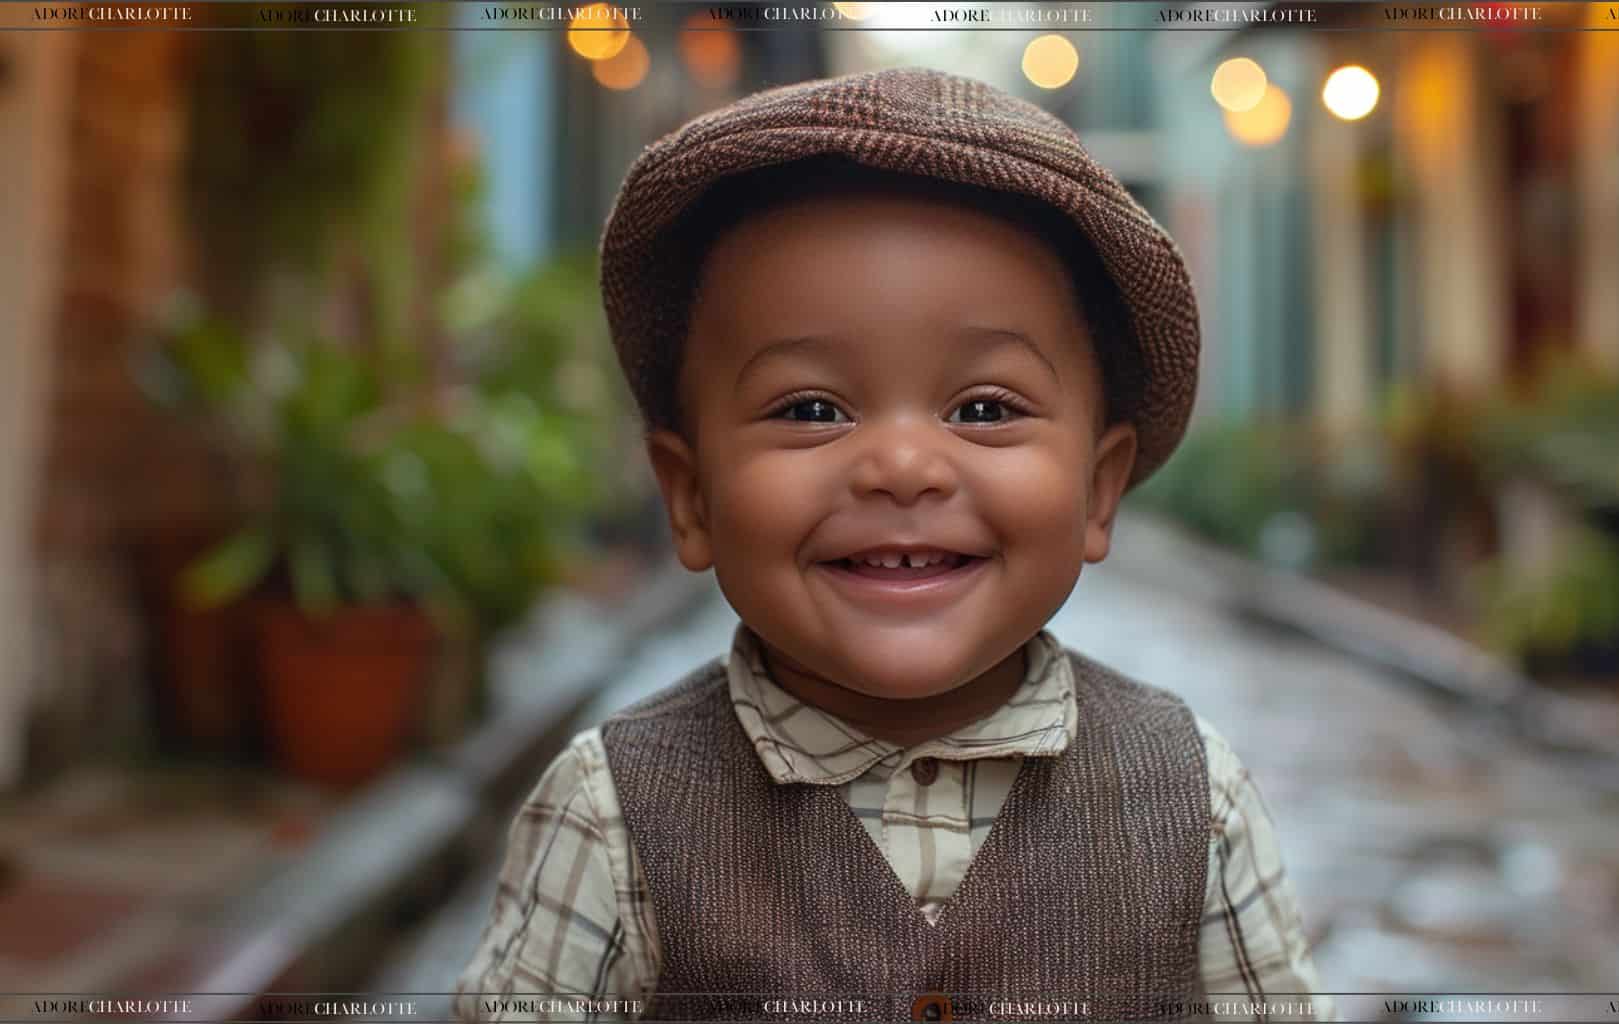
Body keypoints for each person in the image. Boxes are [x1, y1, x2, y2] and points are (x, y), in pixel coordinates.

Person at [456, 66, 1331, 1023]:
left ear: (1097, 487)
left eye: (985, 408)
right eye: (813, 408)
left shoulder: (1193, 801)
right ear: (692, 495)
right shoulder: (613, 815)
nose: (904, 466)